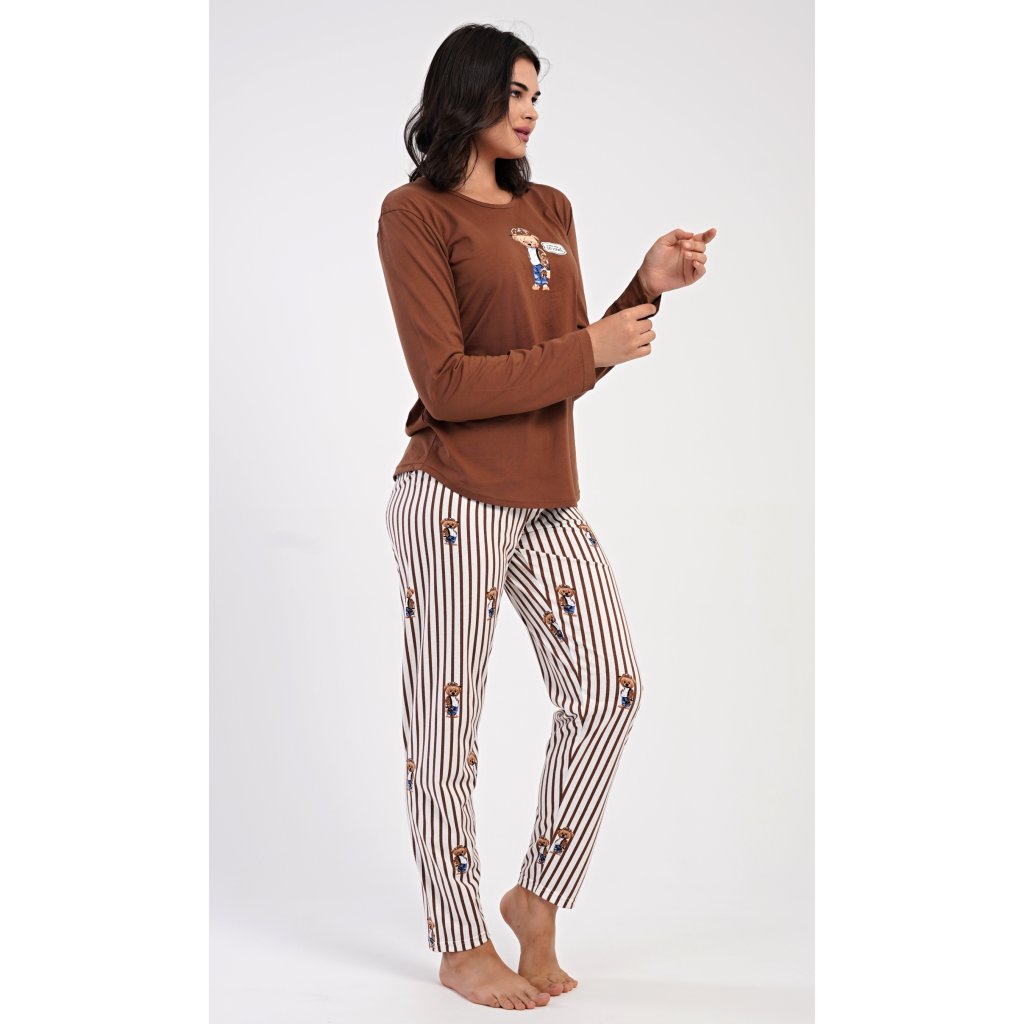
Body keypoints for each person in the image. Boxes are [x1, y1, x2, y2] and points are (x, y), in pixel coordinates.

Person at [377, 22, 716, 1012]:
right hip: (450, 491)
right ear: (467, 94)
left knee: (609, 688)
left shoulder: (549, 209)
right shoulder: (414, 214)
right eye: (515, 92)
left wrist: (643, 290)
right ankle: (457, 938)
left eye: (536, 95)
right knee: (448, 723)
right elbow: (447, 383)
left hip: (545, 494)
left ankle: (535, 895)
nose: (530, 110)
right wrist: (590, 346)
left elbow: (566, 362)